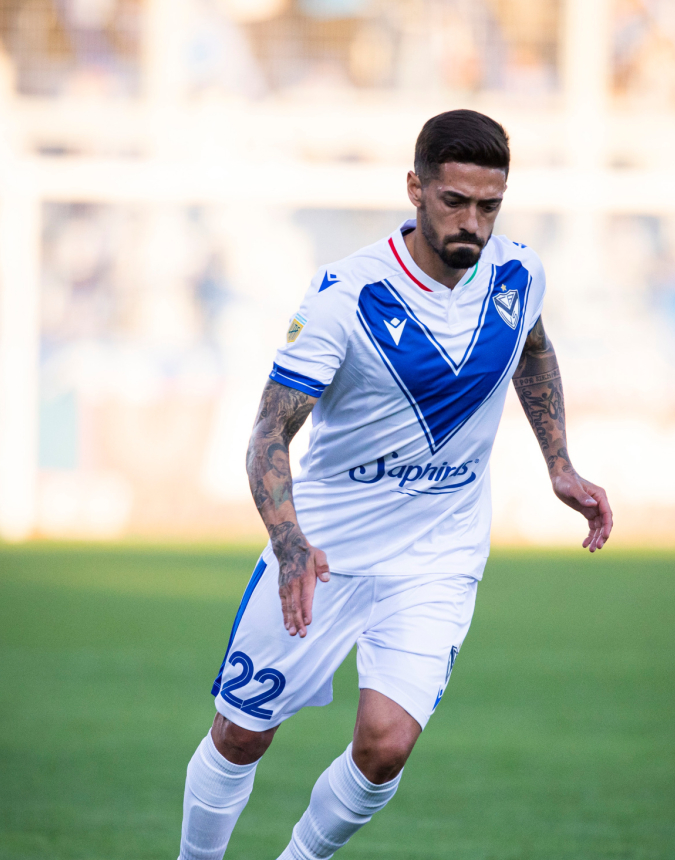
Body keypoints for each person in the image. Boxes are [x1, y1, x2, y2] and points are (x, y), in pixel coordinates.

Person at [177, 109, 613, 860]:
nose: (472, 222)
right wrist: (289, 542)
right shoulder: (347, 297)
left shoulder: (520, 274)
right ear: (416, 189)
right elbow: (268, 434)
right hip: (326, 552)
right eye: (454, 201)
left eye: (489, 206)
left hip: (437, 557)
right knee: (241, 733)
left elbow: (534, 348)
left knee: (385, 748)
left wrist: (560, 464)